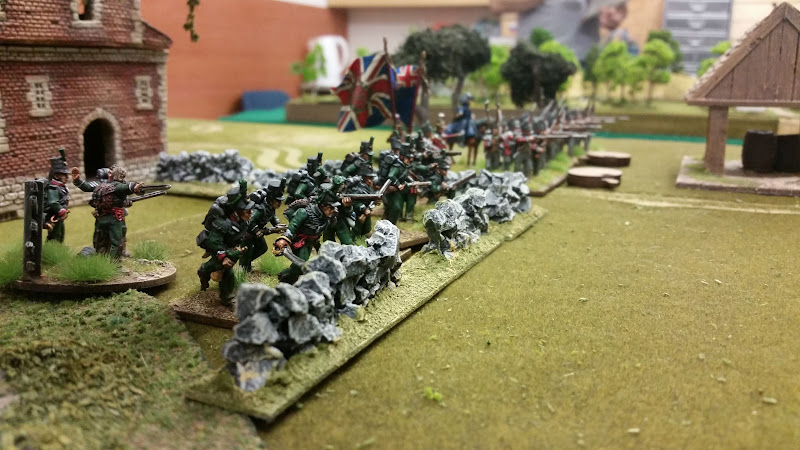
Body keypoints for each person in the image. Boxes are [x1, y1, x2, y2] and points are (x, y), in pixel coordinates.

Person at [508, 0, 629, 61]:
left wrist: (615, 9)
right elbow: (499, 4)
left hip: (584, 59)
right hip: (534, 59)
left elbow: (617, 7)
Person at [197, 183, 254, 306]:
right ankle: (227, 297)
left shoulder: (243, 220)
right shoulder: (222, 223)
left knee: (220, 267)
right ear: (237, 211)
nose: (251, 212)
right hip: (219, 248)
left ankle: (204, 270)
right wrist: (223, 256)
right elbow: (214, 242)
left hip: (231, 246)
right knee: (227, 271)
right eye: (247, 210)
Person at [273, 190, 340, 284]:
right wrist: (283, 239)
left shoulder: (328, 217)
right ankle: (284, 276)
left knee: (302, 266)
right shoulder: (304, 212)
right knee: (301, 264)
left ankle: (289, 279)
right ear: (323, 206)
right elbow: (292, 227)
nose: (334, 210)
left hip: (312, 242)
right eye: (331, 208)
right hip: (300, 242)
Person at [86, 165, 143, 259]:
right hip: (114, 218)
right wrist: (135, 187)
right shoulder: (116, 186)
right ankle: (115, 263)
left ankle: (101, 259)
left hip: (101, 217)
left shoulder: (101, 186)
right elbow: (126, 187)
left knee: (102, 240)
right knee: (116, 242)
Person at [239, 180, 285, 272]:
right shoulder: (259, 209)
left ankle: (246, 264)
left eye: (280, 201)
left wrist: (277, 223)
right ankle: (244, 269)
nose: (280, 203)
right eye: (277, 201)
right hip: (248, 233)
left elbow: (272, 215)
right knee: (247, 251)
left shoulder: (270, 207)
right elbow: (249, 220)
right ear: (271, 200)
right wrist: (256, 230)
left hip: (258, 232)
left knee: (262, 248)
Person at [44, 149, 70, 243]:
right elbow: (53, 202)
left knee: (60, 234)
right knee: (54, 236)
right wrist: (61, 210)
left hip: (59, 217)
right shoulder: (53, 187)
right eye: (64, 175)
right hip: (54, 216)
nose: (67, 177)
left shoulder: (61, 187)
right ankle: (49, 249)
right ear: (56, 176)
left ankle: (58, 248)